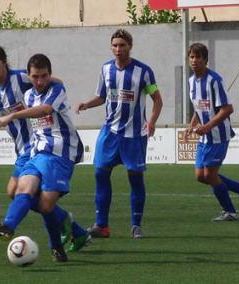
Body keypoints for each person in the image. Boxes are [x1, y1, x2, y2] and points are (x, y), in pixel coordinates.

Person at [0, 45, 87, 256]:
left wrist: (12, 115)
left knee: (44, 205)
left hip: (57, 150)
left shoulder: (25, 80)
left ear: (4, 62)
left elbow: (50, 99)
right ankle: (8, 228)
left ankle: (65, 233)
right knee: (19, 191)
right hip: (32, 149)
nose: (38, 81)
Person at [75, 29, 163, 239]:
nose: (118, 49)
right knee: (100, 173)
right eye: (115, 45)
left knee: (135, 177)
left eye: (122, 45)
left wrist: (151, 122)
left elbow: (157, 99)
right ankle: (101, 225)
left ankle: (136, 225)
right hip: (110, 132)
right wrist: (87, 104)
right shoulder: (105, 69)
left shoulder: (144, 71)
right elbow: (102, 96)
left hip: (134, 135)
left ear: (130, 46)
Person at [183, 43, 239, 221]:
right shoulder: (191, 81)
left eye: (198, 57)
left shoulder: (214, 80)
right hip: (205, 137)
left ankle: (230, 211)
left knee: (210, 174)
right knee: (200, 176)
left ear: (205, 60)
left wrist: (207, 126)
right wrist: (192, 125)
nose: (194, 60)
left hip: (218, 135)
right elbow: (199, 108)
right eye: (191, 57)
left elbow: (227, 109)